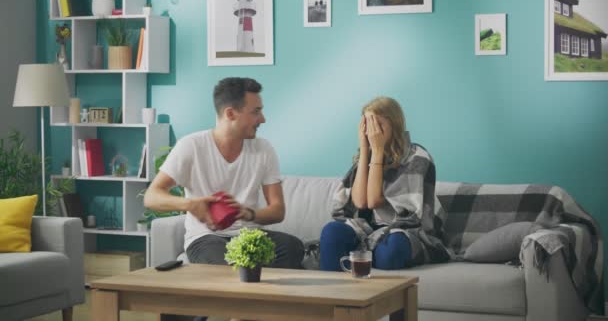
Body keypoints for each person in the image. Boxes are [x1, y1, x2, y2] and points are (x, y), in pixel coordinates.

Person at [144, 77, 304, 269]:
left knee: (293, 247)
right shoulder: (191, 146)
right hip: (207, 238)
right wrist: (190, 204)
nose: (263, 119)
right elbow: (151, 197)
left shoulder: (263, 149)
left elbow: (278, 211)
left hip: (249, 235)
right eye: (256, 112)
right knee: (226, 266)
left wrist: (247, 213)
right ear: (230, 113)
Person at [320, 96, 449, 271]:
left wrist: (378, 149)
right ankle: (335, 293)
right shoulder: (365, 155)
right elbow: (360, 202)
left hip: (407, 230)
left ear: (394, 125)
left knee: (392, 250)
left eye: (378, 125)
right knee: (332, 231)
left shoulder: (417, 157)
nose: (372, 133)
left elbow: (374, 201)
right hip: (369, 229)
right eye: (368, 125)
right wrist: (366, 149)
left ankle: (359, 262)